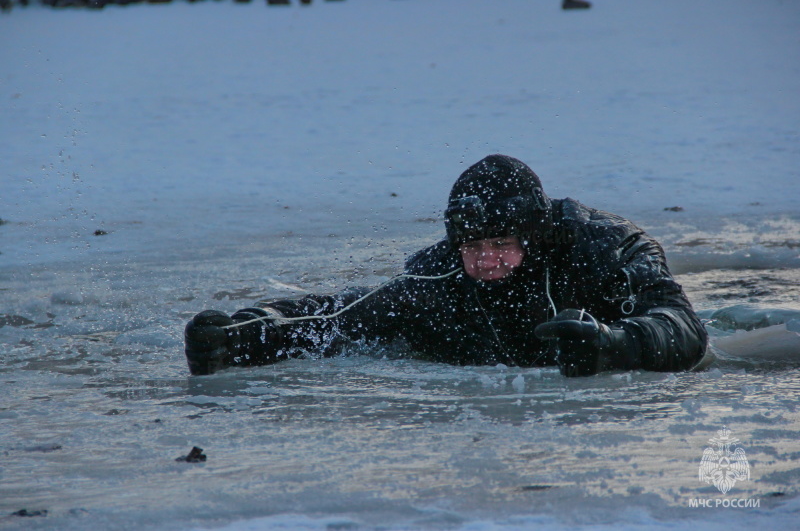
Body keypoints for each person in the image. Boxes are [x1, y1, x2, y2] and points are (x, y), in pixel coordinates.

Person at [184, 154, 710, 377]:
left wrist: (611, 345)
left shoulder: (604, 251)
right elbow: (338, 319)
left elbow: (685, 328)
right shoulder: (438, 277)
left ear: (531, 233)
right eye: (471, 246)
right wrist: (244, 336)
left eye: (500, 243)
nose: (484, 260)